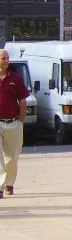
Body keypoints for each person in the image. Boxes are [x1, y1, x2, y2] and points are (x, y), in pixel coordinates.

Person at [0, 48, 27, 197]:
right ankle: (0, 186)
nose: (6, 61)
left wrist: (20, 122)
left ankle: (9, 184)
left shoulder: (15, 79)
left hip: (13, 123)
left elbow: (22, 101)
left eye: (7, 58)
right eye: (3, 58)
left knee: (12, 157)